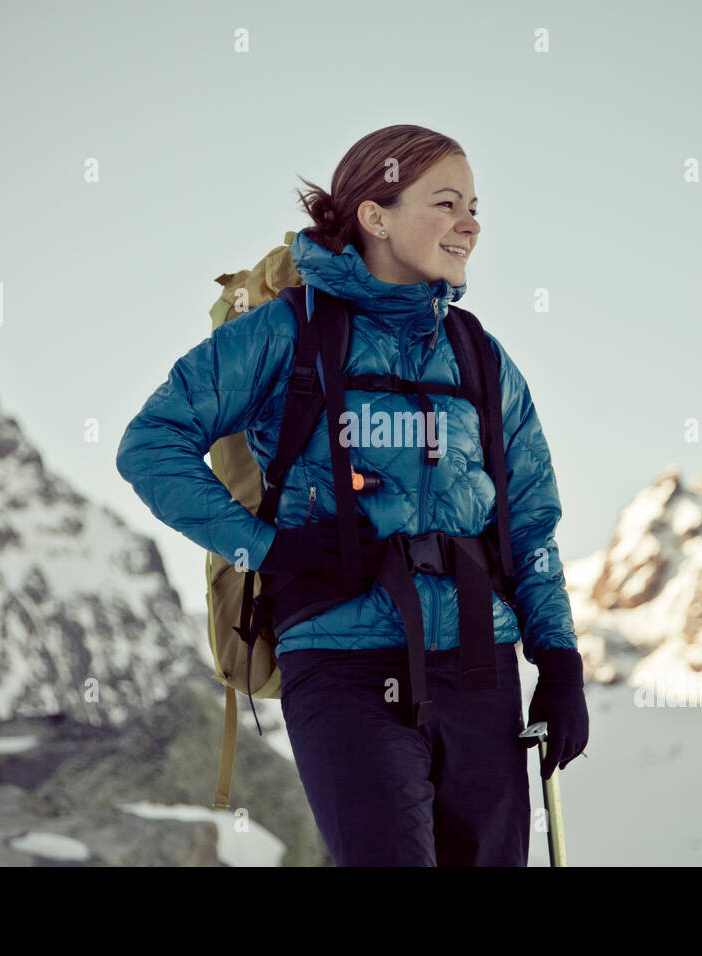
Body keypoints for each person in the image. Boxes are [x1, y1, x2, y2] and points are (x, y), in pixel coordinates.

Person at [116, 124, 588, 866]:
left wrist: (559, 663)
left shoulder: (480, 355)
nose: (470, 223)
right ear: (375, 215)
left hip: (481, 666)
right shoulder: (284, 335)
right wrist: (268, 547)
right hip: (341, 669)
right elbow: (150, 445)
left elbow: (529, 524)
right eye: (446, 202)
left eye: (475, 206)